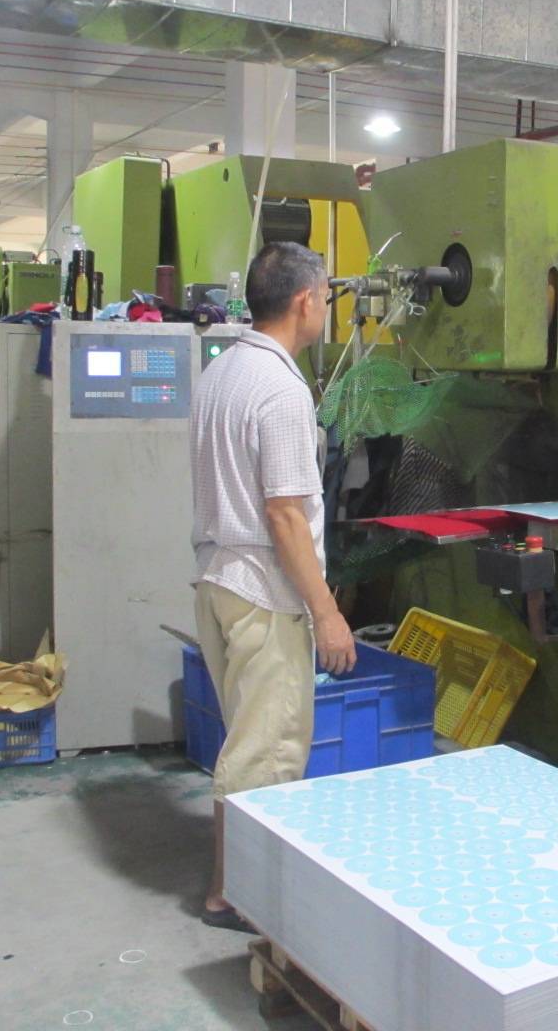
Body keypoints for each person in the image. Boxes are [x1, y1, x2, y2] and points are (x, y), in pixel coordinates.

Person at [190, 242, 356, 931]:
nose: (327, 309)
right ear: (304, 300)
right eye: (326, 297)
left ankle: (243, 880)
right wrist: (327, 613)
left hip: (219, 580)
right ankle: (233, 894)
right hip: (264, 592)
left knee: (246, 737)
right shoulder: (282, 391)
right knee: (266, 752)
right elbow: (285, 514)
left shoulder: (221, 371)